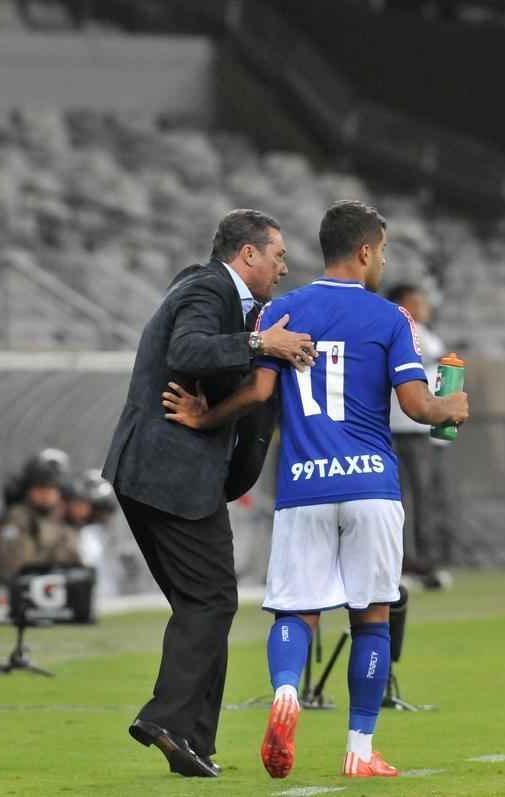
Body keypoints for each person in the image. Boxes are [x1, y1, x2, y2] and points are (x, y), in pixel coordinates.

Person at [162, 201, 469, 778]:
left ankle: (284, 695)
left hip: (302, 486)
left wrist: (205, 418)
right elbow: (415, 405)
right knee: (373, 616)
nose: (383, 261)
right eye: (383, 251)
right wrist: (448, 407)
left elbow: (255, 394)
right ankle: (358, 749)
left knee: (296, 612)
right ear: (364, 251)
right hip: (370, 485)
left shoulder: (282, 309)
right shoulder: (390, 319)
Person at [102, 208, 317, 779]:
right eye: (277, 255)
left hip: (151, 472)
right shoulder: (209, 289)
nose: (283, 266)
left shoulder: (205, 290)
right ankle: (167, 718)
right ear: (248, 255)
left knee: (202, 604)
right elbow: (188, 350)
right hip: (172, 472)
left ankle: (194, 739)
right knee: (213, 600)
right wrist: (259, 341)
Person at [385, 283, 451, 588]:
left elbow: (441, 381)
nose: (422, 305)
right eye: (415, 300)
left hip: (421, 428)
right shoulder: (397, 329)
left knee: (423, 499)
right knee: (401, 501)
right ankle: (404, 561)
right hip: (398, 426)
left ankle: (424, 561)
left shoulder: (428, 336)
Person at [0, 458, 81, 586]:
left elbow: (71, 561)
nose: (46, 494)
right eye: (40, 488)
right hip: (12, 589)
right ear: (29, 490)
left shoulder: (58, 520)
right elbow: (13, 564)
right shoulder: (17, 516)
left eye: (52, 488)